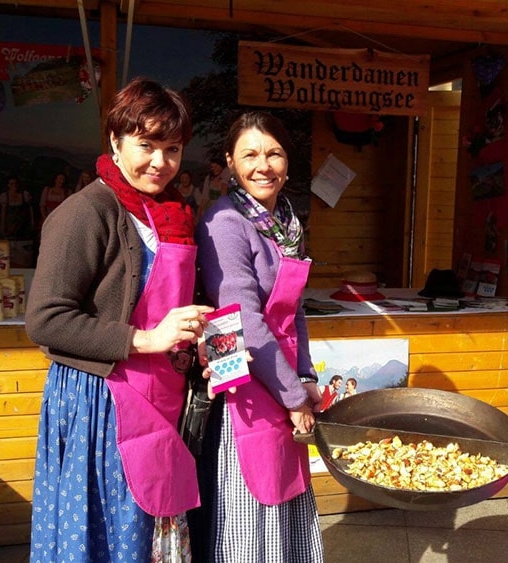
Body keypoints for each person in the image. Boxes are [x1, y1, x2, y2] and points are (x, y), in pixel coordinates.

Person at [25, 77, 214, 562]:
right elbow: (46, 320)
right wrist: (148, 339)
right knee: (111, 530)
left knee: (150, 524)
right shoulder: (84, 213)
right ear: (115, 140)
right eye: (146, 145)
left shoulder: (170, 214)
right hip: (100, 401)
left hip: (160, 393)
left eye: (172, 149)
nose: (160, 162)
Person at [192, 111, 324, 562]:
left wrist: (304, 376)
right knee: (253, 499)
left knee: (285, 494)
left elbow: (295, 308)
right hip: (246, 383)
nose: (262, 165)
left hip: (282, 376)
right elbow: (243, 317)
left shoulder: (287, 224)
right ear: (229, 161)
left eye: (274, 153)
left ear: (288, 163)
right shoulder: (225, 222)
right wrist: (293, 396)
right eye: (249, 154)